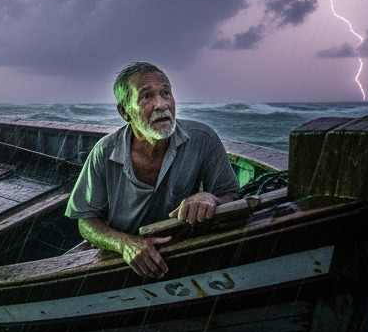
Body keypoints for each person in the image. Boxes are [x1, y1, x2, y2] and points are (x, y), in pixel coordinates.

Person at [65, 62, 240, 278]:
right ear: (124, 112)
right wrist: (126, 244)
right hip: (120, 262)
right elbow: (86, 220)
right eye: (146, 97)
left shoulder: (202, 138)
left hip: (182, 254)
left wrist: (211, 199)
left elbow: (232, 196)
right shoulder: (104, 152)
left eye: (166, 93)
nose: (161, 104)